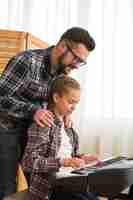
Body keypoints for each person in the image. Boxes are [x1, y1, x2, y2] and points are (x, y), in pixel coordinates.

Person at [0, 27, 95, 199]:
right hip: (7, 128)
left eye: (81, 62)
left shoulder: (61, 74)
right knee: (7, 187)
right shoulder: (27, 61)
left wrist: (65, 113)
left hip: (35, 130)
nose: (76, 65)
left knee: (39, 181)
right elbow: (1, 97)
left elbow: (53, 102)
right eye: (76, 58)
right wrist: (33, 110)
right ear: (62, 46)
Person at [21, 75, 99, 200]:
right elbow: (28, 162)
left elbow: (68, 154)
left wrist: (81, 158)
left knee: (94, 193)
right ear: (56, 97)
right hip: (50, 188)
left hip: (70, 179)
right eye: (71, 102)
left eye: (76, 103)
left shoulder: (67, 124)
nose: (74, 107)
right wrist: (63, 162)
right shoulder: (43, 124)